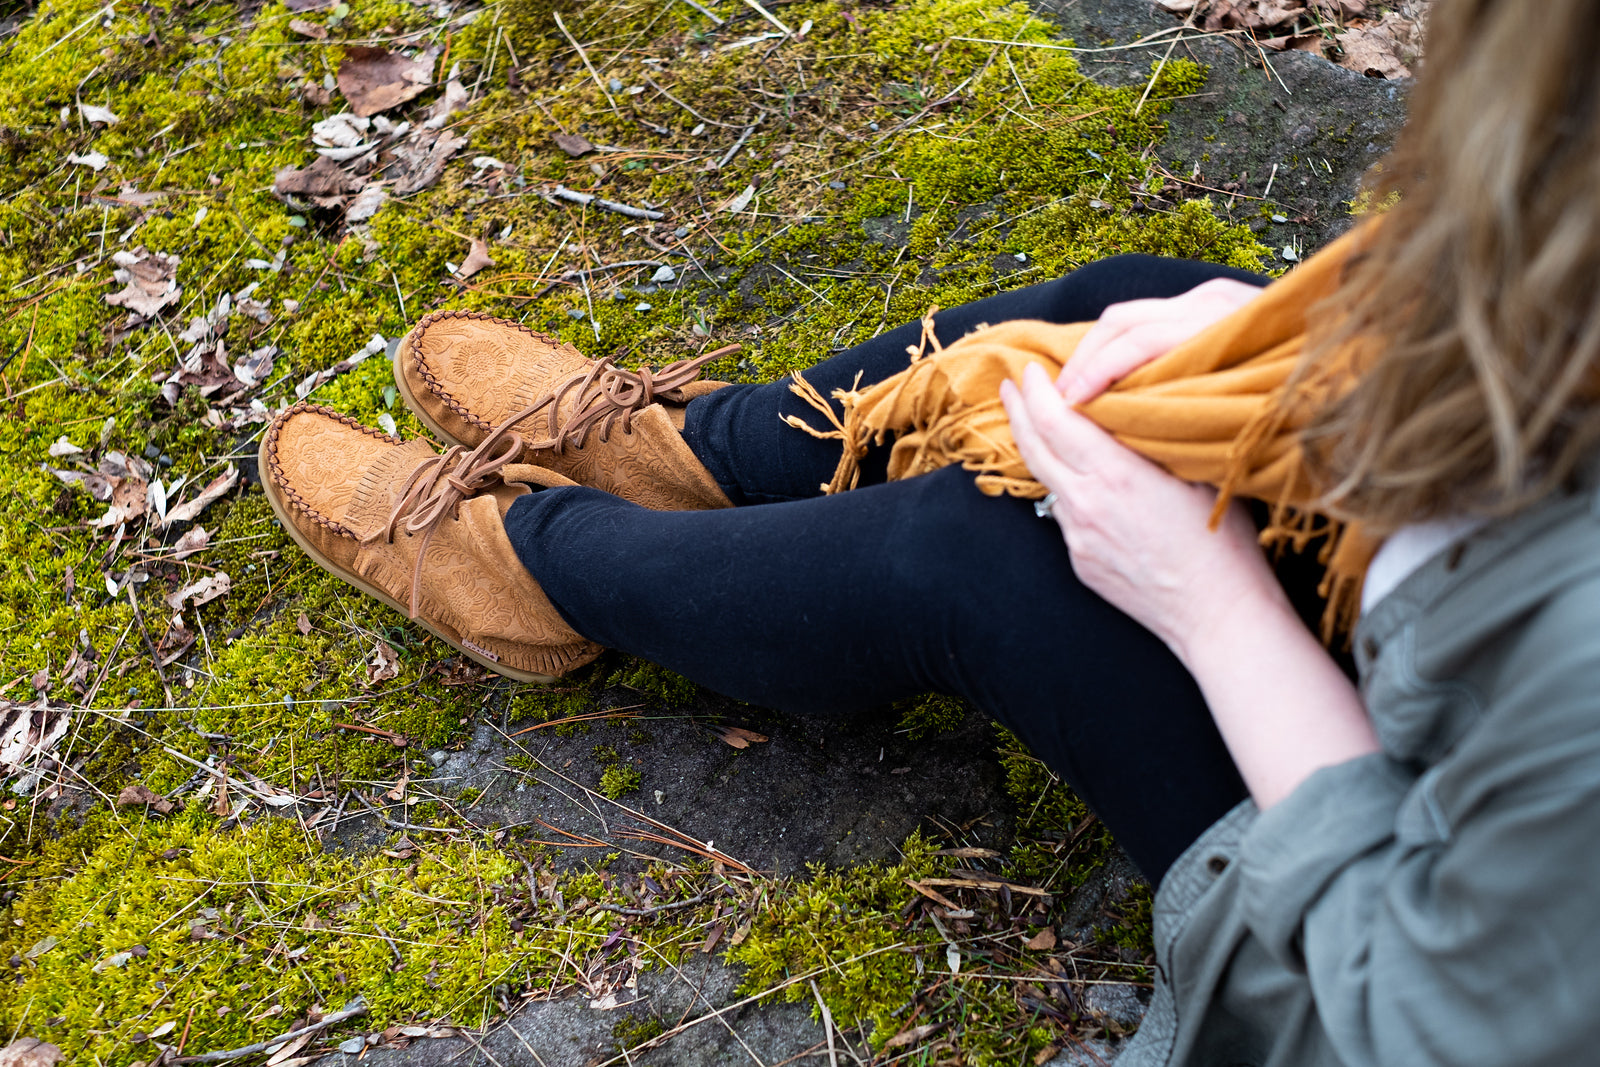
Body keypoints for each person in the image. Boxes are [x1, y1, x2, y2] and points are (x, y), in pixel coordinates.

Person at [259, 0, 1600, 1061]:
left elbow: (1431, 1017)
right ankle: (696, 465)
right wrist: (1317, 344)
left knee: (993, 550)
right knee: (1155, 310)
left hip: (1379, 971)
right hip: (1496, 678)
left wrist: (1211, 605)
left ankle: (546, 577)